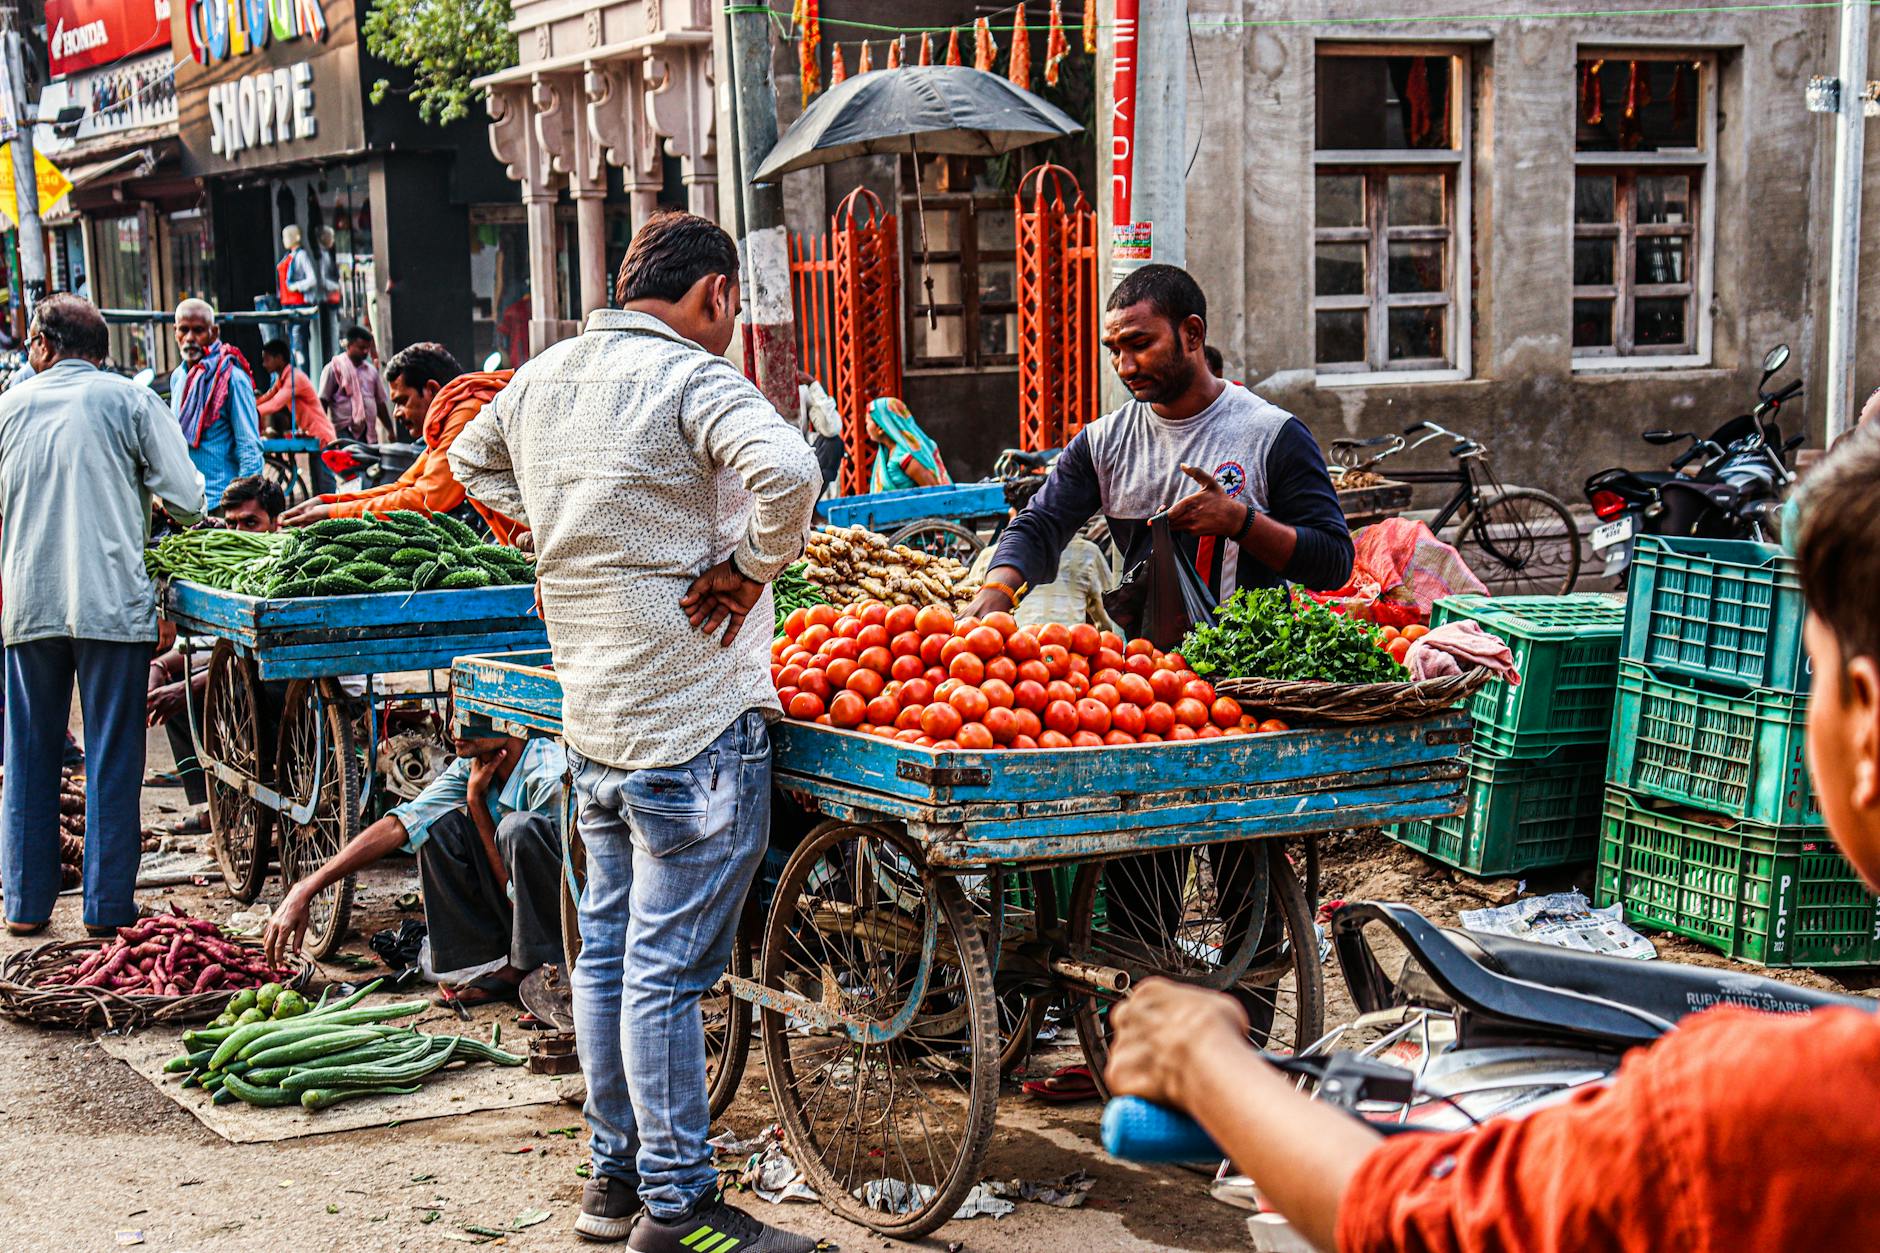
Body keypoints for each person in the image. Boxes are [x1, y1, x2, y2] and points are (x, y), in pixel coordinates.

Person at [1106, 422, 1880, 1253]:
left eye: (1814, 676)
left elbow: (1403, 1213)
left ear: (1865, 727)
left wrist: (1206, 1063)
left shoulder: (1785, 1109)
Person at [450, 210, 822, 1251]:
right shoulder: (694, 379)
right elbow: (791, 473)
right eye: (732, 308)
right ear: (712, 296)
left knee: (613, 958)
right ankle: (679, 1205)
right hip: (693, 722)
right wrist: (750, 567)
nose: (731, 325)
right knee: (661, 971)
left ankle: (611, 1187)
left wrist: (551, 535)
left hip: (598, 724)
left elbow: (468, 463)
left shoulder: (543, 376)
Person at [963, 264, 1352, 631]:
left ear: (1192, 334)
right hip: (1148, 687)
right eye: (1114, 349)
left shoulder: (1273, 434)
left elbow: (1334, 561)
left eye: (1140, 344)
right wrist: (998, 589)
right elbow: (1040, 523)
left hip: (1252, 681)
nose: (1124, 366)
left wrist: (1241, 522)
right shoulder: (1103, 443)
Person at [0, 295, 205, 936]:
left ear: (42, 344)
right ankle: (105, 909)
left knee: (29, 755)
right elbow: (189, 497)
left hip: (30, 598)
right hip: (110, 603)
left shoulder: (7, 407)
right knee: (112, 757)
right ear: (101, 350)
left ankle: (25, 908)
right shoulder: (129, 401)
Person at [262, 731, 567, 1006]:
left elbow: (540, 896)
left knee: (518, 829)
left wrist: (476, 805)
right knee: (436, 826)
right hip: (513, 906)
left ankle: (531, 968)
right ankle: (487, 961)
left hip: (564, 924)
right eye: (453, 713)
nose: (452, 728)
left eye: (467, 716)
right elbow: (401, 824)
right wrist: (308, 887)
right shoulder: (473, 765)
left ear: (506, 720)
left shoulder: (548, 775)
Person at [145, 476, 284, 837]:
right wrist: (162, 665)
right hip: (243, 671)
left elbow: (251, 659)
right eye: (232, 523)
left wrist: (186, 687)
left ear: (276, 523)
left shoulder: (283, 564)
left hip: (283, 683)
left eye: (251, 523)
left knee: (190, 692)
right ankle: (213, 803)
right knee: (177, 685)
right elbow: (215, 642)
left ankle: (258, 791)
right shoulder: (229, 569)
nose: (238, 532)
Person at [281, 343, 521, 540]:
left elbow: (429, 500)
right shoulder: (449, 418)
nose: (396, 413)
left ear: (430, 389)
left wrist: (334, 513)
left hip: (527, 543)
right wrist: (328, 503)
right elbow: (404, 486)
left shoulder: (468, 413)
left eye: (402, 400)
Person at [170, 298, 264, 511]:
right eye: (184, 330)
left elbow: (249, 447)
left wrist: (241, 505)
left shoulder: (233, 379)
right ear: (175, 332)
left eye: (198, 330)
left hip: (221, 504)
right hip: (187, 504)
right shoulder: (178, 377)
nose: (190, 338)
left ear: (213, 332)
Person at [256, 338, 336, 495]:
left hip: (321, 435)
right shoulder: (283, 379)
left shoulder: (294, 378)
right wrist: (250, 405)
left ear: (279, 358)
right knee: (318, 487)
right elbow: (267, 397)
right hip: (313, 435)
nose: (264, 364)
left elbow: (275, 404)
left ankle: (334, 515)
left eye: (267, 359)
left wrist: (252, 412)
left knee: (325, 486)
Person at [320, 325, 392, 444]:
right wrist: (323, 431)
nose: (365, 352)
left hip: (368, 431)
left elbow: (380, 404)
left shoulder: (371, 371)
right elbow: (323, 400)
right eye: (361, 347)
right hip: (343, 431)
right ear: (349, 346)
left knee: (369, 461)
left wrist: (390, 430)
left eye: (367, 348)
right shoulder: (334, 368)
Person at [865, 396, 950, 491]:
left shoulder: (905, 457)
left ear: (880, 428)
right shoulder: (886, 454)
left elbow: (934, 491)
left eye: (867, 422)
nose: (866, 427)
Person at [276, 226, 315, 307]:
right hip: (286, 302)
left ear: (296, 237)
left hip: (298, 303)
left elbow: (313, 279)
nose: (284, 240)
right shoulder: (287, 256)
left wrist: (296, 286)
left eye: (287, 237)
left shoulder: (301, 255)